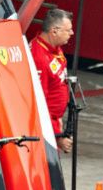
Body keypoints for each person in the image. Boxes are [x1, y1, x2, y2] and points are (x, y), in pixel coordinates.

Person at [30, 8, 74, 153]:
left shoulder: (54, 48)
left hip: (54, 121)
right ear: (54, 31)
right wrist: (57, 136)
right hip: (44, 130)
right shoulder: (39, 57)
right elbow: (39, 105)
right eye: (68, 30)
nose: (72, 33)